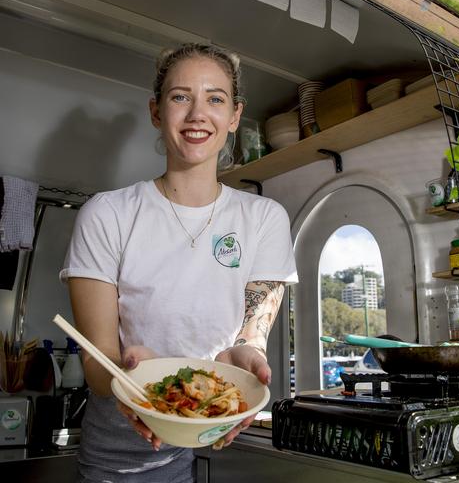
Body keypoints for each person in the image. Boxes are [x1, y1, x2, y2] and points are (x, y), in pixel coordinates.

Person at [59, 42, 298, 482]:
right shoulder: (107, 214)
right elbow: (97, 366)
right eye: (180, 96)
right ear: (156, 111)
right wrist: (131, 376)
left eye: (215, 98)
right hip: (118, 463)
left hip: (217, 437)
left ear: (234, 116)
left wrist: (246, 357)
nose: (197, 114)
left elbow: (252, 334)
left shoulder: (264, 218)